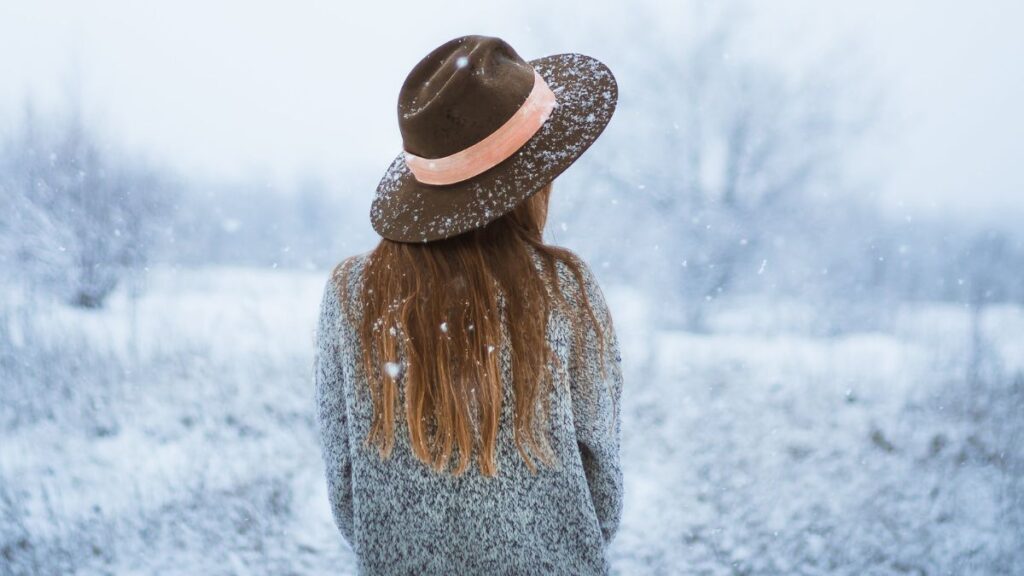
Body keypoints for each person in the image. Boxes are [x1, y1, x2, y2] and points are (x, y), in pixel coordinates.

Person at [314, 34, 623, 575]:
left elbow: (345, 484)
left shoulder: (351, 293)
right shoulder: (565, 288)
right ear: (530, 182)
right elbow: (600, 477)